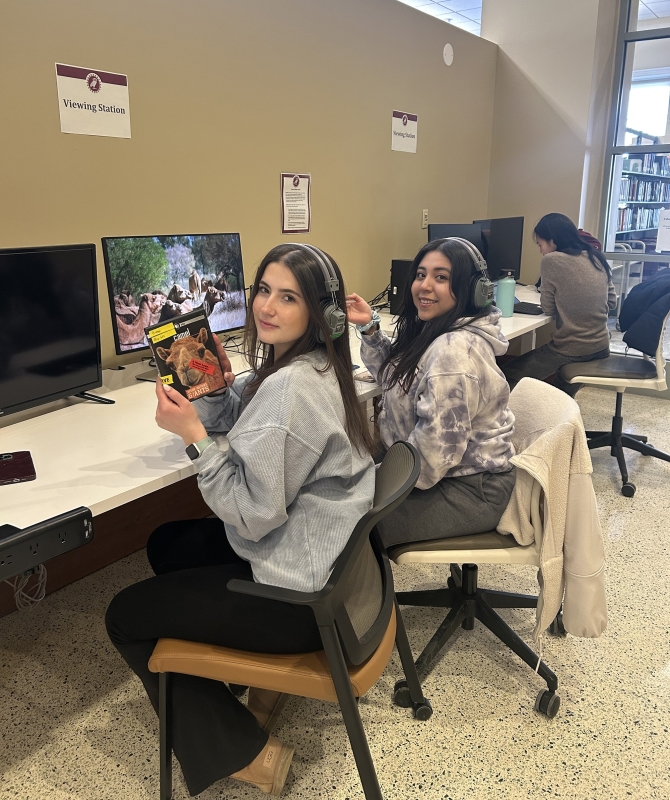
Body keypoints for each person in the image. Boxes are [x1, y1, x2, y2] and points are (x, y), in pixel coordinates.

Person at [105, 244, 375, 797]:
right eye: (263, 290)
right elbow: (252, 424)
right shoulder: (317, 366)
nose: (266, 308)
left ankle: (249, 754)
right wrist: (220, 392)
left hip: (298, 600)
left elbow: (251, 515)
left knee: (124, 615)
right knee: (170, 545)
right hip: (329, 571)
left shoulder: (288, 389)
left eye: (288, 297)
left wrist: (194, 439)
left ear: (318, 312)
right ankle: (259, 691)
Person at [346, 237, 516, 548]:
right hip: (438, 469)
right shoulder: (438, 328)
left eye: (441, 277)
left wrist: (370, 486)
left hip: (468, 489)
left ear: (471, 288)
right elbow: (395, 378)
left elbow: (433, 458)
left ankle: (375, 597)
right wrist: (370, 328)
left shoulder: (454, 352)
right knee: (341, 496)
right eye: (421, 274)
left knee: (348, 529)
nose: (424, 286)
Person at [502, 213, 616, 396]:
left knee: (507, 375)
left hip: (571, 349)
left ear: (552, 241)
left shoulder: (552, 260)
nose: (540, 251)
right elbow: (612, 301)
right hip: (601, 346)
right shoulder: (595, 256)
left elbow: (548, 308)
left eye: (540, 245)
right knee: (558, 394)